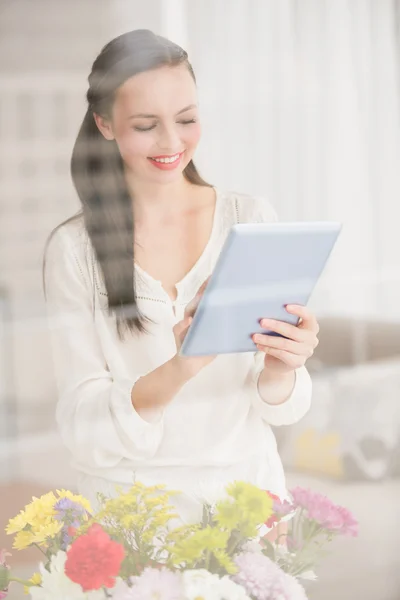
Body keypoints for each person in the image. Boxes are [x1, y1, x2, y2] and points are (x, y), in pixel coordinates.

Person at [44, 29, 319, 531]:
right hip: (130, 516)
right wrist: (182, 366)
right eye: (146, 125)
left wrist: (283, 366)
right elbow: (83, 427)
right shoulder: (74, 250)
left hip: (248, 504)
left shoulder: (250, 219)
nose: (171, 142)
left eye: (187, 119)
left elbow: (281, 408)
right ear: (105, 124)